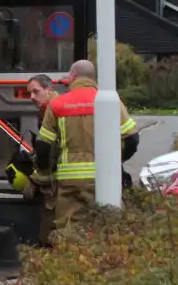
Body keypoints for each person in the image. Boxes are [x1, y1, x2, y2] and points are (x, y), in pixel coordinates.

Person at [35, 60, 140, 229]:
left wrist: (44, 173)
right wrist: (116, 160)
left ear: (72, 77)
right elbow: (132, 139)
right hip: (102, 178)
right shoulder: (111, 102)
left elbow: (43, 146)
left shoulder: (57, 105)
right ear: (93, 78)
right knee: (103, 227)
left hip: (69, 181)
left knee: (67, 229)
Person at [5, 74, 59, 244]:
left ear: (49, 90)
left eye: (36, 92)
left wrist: (35, 181)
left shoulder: (56, 111)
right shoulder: (47, 112)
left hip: (57, 187)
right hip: (53, 185)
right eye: (30, 94)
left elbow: (52, 154)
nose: (32, 98)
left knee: (50, 236)